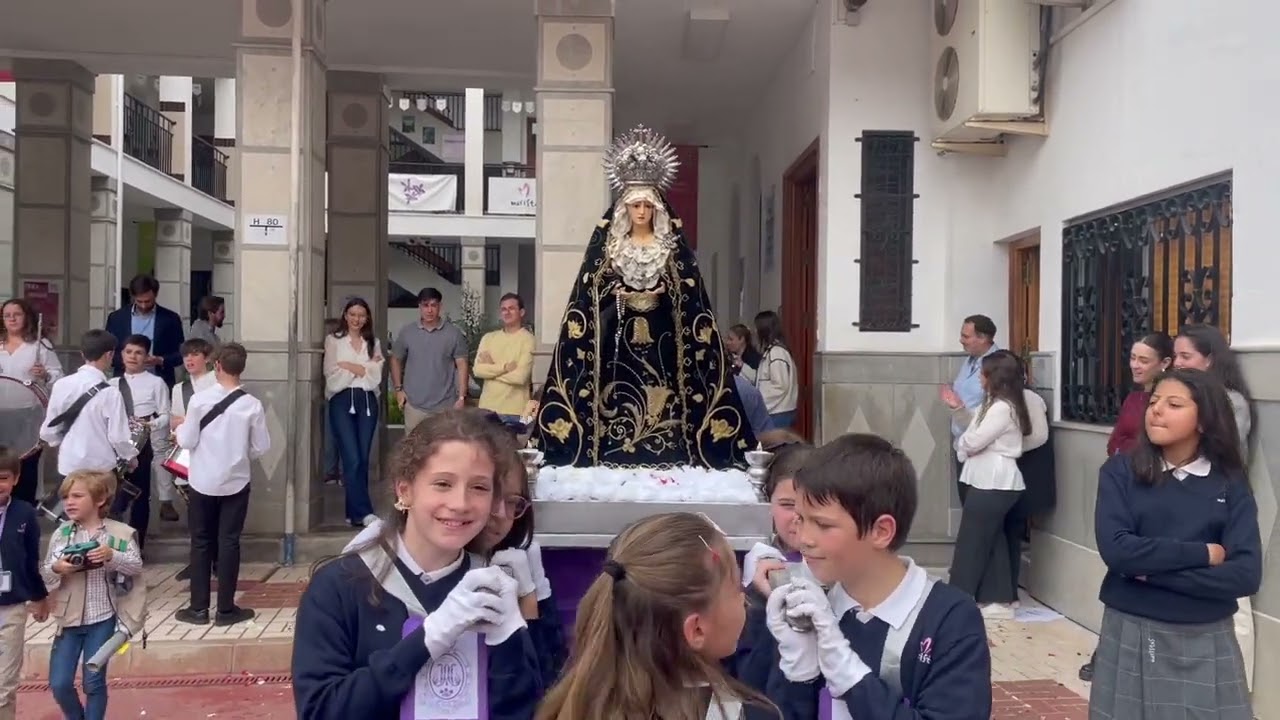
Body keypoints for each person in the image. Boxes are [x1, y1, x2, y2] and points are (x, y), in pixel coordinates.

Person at [292, 409, 541, 719]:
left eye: (479, 487)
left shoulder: (489, 587)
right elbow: (320, 711)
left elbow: (521, 710)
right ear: (404, 490)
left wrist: (509, 644)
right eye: (442, 484)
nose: (460, 503)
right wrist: (427, 638)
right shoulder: (338, 586)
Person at [532, 125, 756, 468]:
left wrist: (667, 292)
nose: (640, 212)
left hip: (664, 342)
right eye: (634, 205)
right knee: (617, 390)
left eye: (646, 206)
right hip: (617, 343)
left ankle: (670, 450)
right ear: (625, 209)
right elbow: (589, 293)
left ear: (656, 210)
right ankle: (610, 448)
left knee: (663, 389)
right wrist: (613, 293)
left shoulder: (669, 248)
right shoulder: (609, 248)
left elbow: (692, 298)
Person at [764, 433, 992, 719]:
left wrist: (850, 675)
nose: (804, 538)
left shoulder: (949, 618)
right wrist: (799, 675)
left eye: (822, 524)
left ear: (881, 531)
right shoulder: (810, 606)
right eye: (801, 519)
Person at [1090, 368, 1259, 719]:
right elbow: (1118, 551)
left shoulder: (1230, 483)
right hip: (1132, 628)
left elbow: (1244, 575)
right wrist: (1202, 554)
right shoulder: (1120, 472)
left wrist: (1148, 574)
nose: (1156, 410)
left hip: (1207, 634)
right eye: (1154, 402)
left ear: (1204, 420)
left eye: (1174, 404)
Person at [536, 512, 773, 720]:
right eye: (737, 589)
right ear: (697, 630)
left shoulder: (578, 703)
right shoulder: (749, 714)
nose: (745, 599)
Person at [1079, 331, 1172, 682]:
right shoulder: (1134, 399)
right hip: (1126, 493)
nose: (1135, 365)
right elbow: (1116, 441)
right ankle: (1108, 650)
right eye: (1132, 357)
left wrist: (1131, 454)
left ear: (1165, 363)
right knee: (1120, 570)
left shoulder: (1166, 402)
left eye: (1143, 360)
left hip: (1154, 494)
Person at [1172, 325, 1256, 690]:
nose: (1177, 364)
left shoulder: (1229, 401)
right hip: (1186, 504)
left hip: (1220, 506)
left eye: (1186, 357)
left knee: (1233, 598)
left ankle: (1235, 686)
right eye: (1175, 356)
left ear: (1210, 358)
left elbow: (1224, 455)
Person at [173, 343, 270, 627]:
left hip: (202, 480)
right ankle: (226, 610)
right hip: (236, 482)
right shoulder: (251, 404)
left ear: (216, 366)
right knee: (229, 542)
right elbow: (261, 447)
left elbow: (187, 441)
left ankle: (198, 609)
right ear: (242, 367)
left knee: (201, 542)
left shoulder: (200, 400)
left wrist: (179, 428)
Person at [43, 469, 145, 720]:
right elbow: (46, 573)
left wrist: (111, 556)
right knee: (59, 683)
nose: (69, 502)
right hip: (68, 618)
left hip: (103, 617)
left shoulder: (120, 533)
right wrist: (58, 568)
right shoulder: (62, 534)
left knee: (94, 680)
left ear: (100, 500)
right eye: (66, 497)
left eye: (77, 496)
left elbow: (136, 567)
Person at [947, 351, 1031, 620]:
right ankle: (997, 598)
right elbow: (971, 434)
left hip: (996, 480)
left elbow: (973, 440)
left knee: (973, 541)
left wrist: (966, 444)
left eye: (983, 373)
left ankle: (960, 597)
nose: (980, 378)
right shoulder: (992, 403)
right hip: (984, 477)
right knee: (991, 538)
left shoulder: (1002, 408)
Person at [731, 441, 813, 691]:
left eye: (811, 505)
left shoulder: (836, 564)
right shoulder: (747, 561)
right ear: (768, 503)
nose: (797, 517)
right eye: (787, 505)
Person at [39, 330, 137, 481]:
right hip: (101, 466)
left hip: (69, 464)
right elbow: (118, 437)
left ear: (82, 354)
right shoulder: (111, 393)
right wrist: (130, 456)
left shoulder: (61, 385)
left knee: (73, 503)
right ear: (109, 355)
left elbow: (48, 431)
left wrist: (65, 444)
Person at [323, 298, 384, 528]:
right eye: (353, 314)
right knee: (352, 457)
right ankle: (364, 512)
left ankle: (354, 513)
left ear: (367, 318)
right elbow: (331, 374)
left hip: (367, 400)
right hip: (341, 400)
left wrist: (349, 366)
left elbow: (376, 376)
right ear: (345, 316)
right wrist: (362, 369)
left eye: (361, 315)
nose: (357, 319)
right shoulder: (334, 340)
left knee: (362, 457)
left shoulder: (373, 342)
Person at [0, 447, 49, 720]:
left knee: (4, 685)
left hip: (12, 607)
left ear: (16, 479)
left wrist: (40, 596)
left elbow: (32, 560)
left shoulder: (24, 513)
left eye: (3, 478)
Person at [109, 334, 171, 549]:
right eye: (128, 352)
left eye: (138, 353)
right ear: (121, 355)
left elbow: (165, 415)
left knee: (139, 496)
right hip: (115, 445)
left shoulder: (156, 383)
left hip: (141, 445)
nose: (132, 357)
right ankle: (112, 545)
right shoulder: (111, 384)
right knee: (112, 496)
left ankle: (137, 546)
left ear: (147, 357)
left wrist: (149, 425)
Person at [0, 297, 63, 503]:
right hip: (1, 414)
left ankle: (24, 508)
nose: (11, 319)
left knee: (26, 463)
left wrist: (44, 374)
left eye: (16, 314)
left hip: (28, 414)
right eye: (7, 315)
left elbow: (58, 377)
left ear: (26, 317)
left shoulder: (40, 344)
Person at [390, 287, 470, 431]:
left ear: (440, 306)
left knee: (443, 448)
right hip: (414, 405)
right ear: (419, 307)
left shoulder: (453, 333)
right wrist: (398, 389)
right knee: (413, 449)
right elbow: (395, 359)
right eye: (425, 305)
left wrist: (462, 397)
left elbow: (462, 364)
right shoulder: (408, 332)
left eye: (433, 305)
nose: (429, 310)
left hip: (445, 405)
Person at [105, 274, 185, 388]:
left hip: (159, 380)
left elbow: (180, 353)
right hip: (124, 381)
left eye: (148, 301)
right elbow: (108, 351)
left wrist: (160, 360)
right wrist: (127, 360)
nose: (143, 305)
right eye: (139, 301)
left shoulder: (170, 319)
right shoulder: (117, 318)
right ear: (133, 297)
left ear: (155, 295)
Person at [474, 293, 536, 422]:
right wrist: (504, 367)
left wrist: (491, 367)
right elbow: (478, 371)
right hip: (486, 409)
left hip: (514, 412)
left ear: (522, 312)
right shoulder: (488, 338)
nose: (507, 312)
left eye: (511, 308)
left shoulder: (528, 340)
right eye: (503, 309)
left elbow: (520, 378)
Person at [752, 311, 797, 430]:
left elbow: (780, 385)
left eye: (756, 328)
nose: (754, 332)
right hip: (777, 411)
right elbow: (763, 379)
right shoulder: (772, 351)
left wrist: (758, 401)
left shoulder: (776, 353)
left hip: (778, 412)